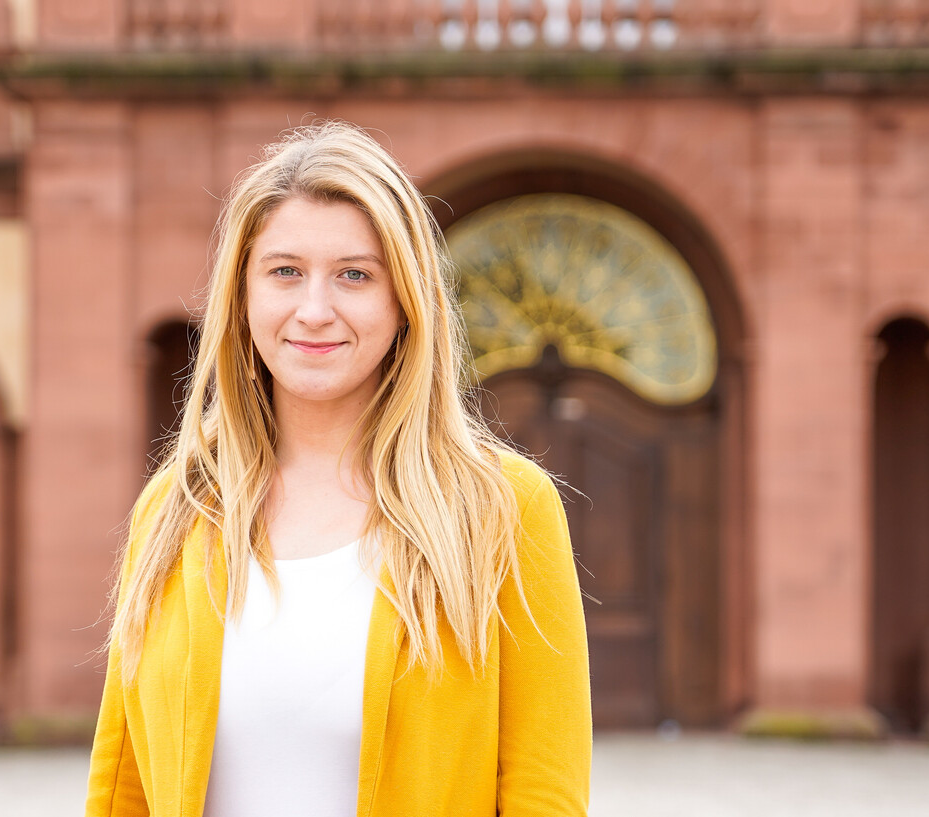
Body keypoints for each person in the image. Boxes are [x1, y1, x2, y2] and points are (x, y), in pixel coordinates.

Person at [85, 122, 591, 817]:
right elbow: (123, 787)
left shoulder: (503, 508)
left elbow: (543, 792)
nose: (314, 310)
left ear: (404, 302)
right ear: (244, 295)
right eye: (285, 271)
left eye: (354, 274)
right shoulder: (176, 507)